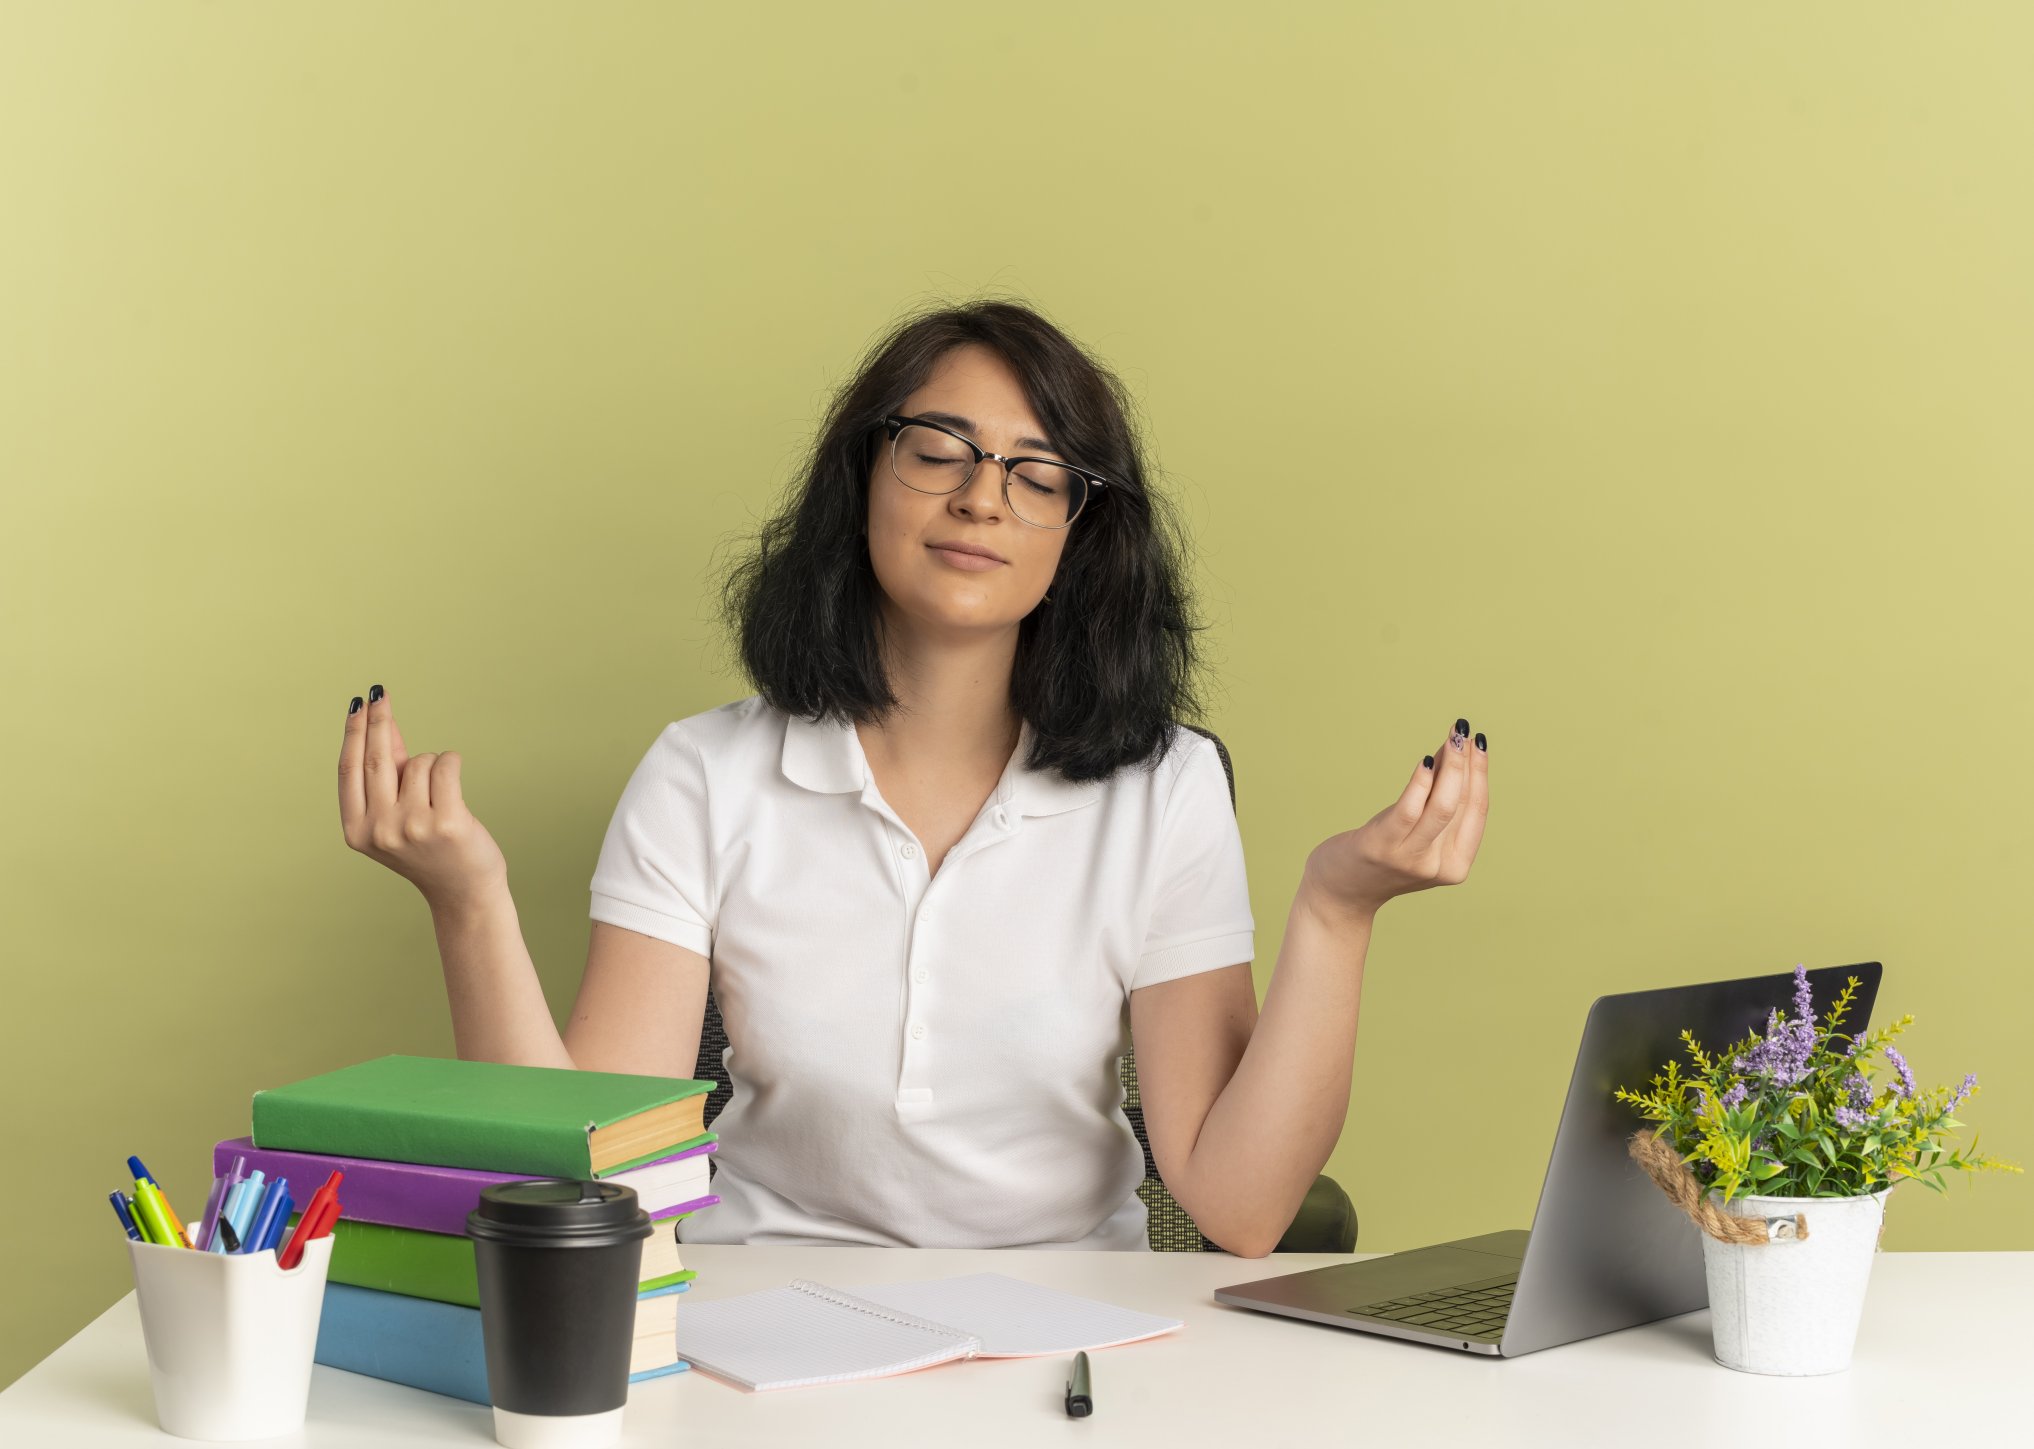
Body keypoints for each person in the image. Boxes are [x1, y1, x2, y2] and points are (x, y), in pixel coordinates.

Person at [335, 299, 1491, 1258]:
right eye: (939, 450)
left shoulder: (1164, 788)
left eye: (1038, 475)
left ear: (1082, 534)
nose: (981, 496)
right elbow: (600, 1182)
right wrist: (466, 901)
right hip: (762, 1326)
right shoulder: (705, 773)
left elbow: (1241, 1211)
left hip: (1068, 1336)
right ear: (863, 478)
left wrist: (1339, 913)